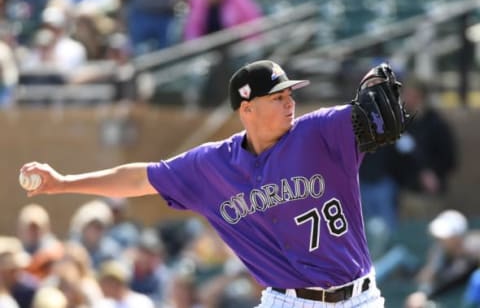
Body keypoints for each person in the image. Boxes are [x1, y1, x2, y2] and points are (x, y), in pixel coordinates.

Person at [20, 59, 408, 307]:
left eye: (290, 93)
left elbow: (370, 113)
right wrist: (64, 182)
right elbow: (140, 177)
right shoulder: (211, 165)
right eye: (277, 97)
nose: (289, 102)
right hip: (288, 302)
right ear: (247, 107)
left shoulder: (320, 130)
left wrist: (376, 76)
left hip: (360, 297)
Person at [409, 209, 480, 300]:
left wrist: (426, 295)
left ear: (457, 237)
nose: (440, 242)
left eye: (445, 238)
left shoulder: (474, 250)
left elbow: (457, 276)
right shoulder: (438, 252)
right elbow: (427, 278)